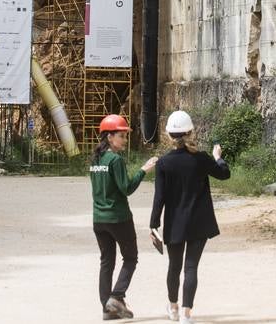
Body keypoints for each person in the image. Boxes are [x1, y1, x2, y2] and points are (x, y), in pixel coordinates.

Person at [149, 109, 230, 323]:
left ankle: (173, 307)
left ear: (169, 135)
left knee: (174, 267)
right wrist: (218, 158)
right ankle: (186, 313)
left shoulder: (164, 163)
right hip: (199, 221)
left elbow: (159, 198)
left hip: (175, 222)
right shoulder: (201, 158)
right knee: (191, 267)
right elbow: (224, 174)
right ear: (190, 132)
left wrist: (153, 224)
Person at [90, 113, 158, 320]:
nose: (125, 140)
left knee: (106, 262)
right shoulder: (115, 159)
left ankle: (107, 308)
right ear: (109, 137)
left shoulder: (95, 159)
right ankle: (117, 296)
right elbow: (126, 188)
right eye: (122, 136)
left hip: (99, 219)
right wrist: (143, 170)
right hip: (118, 218)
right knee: (130, 258)